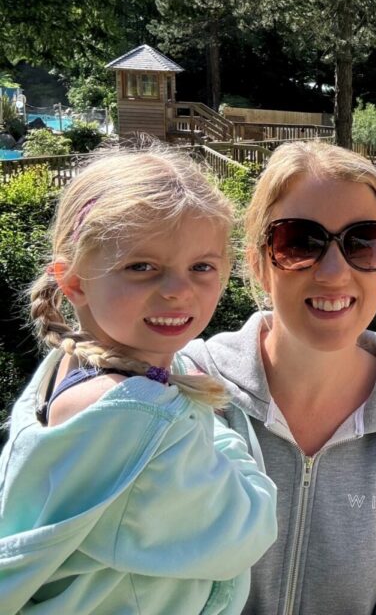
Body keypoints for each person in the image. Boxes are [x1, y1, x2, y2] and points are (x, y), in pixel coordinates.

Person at [179, 140, 376, 614]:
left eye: (364, 241)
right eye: (299, 242)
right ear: (258, 262)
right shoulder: (190, 389)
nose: (334, 272)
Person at [0, 147, 278, 613]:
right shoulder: (133, 413)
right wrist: (221, 436)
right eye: (141, 267)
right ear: (73, 280)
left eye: (201, 267)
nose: (177, 289)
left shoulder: (63, 370)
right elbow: (248, 529)